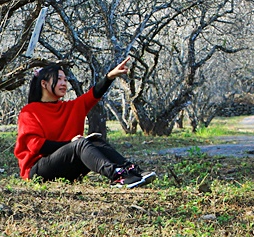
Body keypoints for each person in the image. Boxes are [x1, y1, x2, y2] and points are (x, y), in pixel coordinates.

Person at [14, 57, 156, 188]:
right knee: (80, 144)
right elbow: (37, 147)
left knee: (94, 140)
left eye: (65, 79)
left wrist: (109, 77)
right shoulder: (29, 112)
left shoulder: (70, 107)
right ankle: (117, 176)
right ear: (44, 84)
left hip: (68, 170)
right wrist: (71, 144)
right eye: (59, 79)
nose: (64, 83)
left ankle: (133, 171)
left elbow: (92, 95)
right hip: (38, 171)